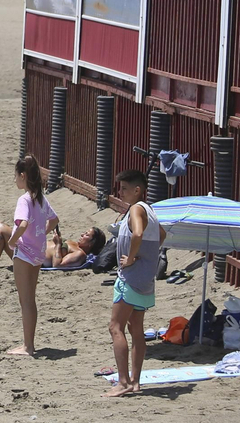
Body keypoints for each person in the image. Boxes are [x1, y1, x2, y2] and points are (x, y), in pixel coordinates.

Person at [106, 169, 161, 397]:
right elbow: (163, 235)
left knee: (115, 327)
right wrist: (147, 257)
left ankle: (123, 382)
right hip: (145, 280)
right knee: (135, 329)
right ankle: (136, 381)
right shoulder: (150, 210)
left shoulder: (137, 209)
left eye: (125, 189)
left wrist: (131, 257)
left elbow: (137, 234)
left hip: (131, 278)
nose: (121, 192)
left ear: (137, 190)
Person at [0, 156, 56, 356]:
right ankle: (29, 344)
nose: (15, 180)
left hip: (25, 253)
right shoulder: (40, 197)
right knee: (30, 298)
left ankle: (28, 346)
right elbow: (54, 220)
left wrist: (12, 242)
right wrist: (41, 233)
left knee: (26, 301)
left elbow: (22, 224)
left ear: (23, 176)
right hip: (38, 253)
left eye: (16, 176)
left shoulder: (24, 199)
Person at [0, 220, 103, 271]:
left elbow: (58, 265)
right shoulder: (73, 243)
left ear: (91, 243)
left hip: (30, 258)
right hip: (30, 249)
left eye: (86, 235)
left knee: (0, 229)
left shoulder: (80, 254)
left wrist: (58, 245)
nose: (82, 234)